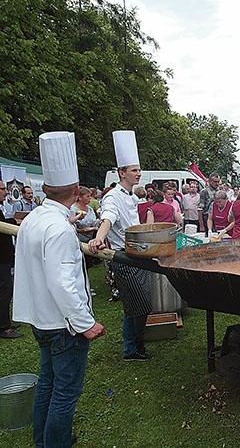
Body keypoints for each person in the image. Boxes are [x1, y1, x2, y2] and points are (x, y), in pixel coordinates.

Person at [13, 131, 106, 447]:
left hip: (42, 320)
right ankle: (55, 443)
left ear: (45, 189)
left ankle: (45, 440)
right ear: (77, 191)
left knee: (48, 385)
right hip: (63, 326)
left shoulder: (34, 219)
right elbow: (62, 283)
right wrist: (85, 323)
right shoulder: (59, 229)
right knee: (65, 391)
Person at [88, 130, 153, 361]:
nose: (138, 173)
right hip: (124, 258)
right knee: (136, 306)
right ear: (121, 173)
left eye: (138, 169)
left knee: (143, 305)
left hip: (138, 255)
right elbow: (108, 218)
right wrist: (98, 237)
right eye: (134, 170)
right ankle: (131, 349)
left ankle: (138, 344)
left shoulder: (131, 197)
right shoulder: (113, 197)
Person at [0, 180, 22, 339]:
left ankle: (5, 320)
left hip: (5, 257)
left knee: (6, 290)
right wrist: (14, 222)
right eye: (2, 189)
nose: (6, 192)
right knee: (4, 290)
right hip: (1, 258)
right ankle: (3, 326)